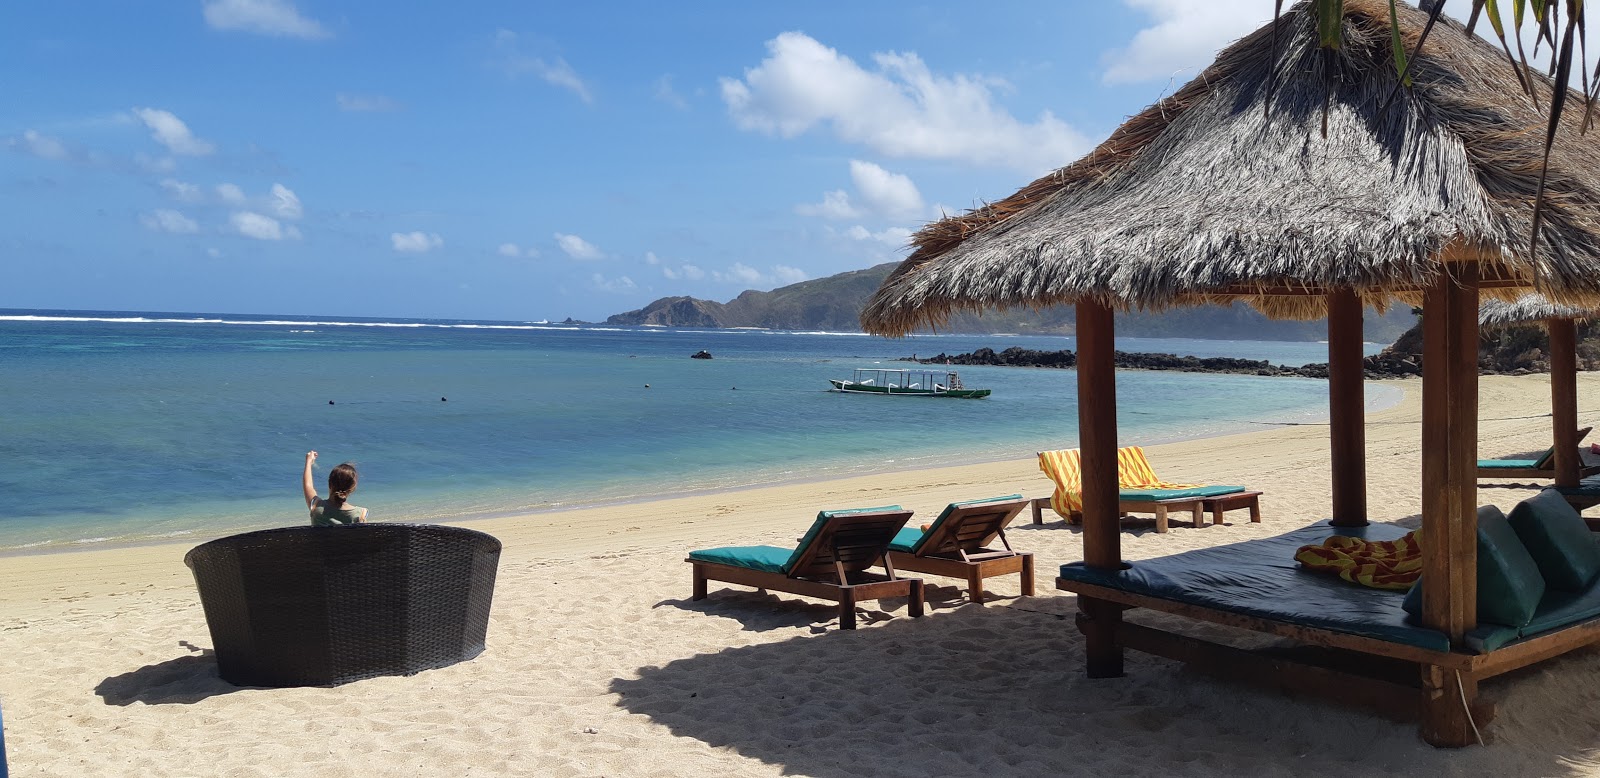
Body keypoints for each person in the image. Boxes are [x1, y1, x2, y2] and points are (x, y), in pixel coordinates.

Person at [302, 451, 367, 526]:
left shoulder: (316, 507)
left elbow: (308, 486)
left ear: (329, 484)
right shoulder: (360, 515)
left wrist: (308, 461)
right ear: (352, 488)